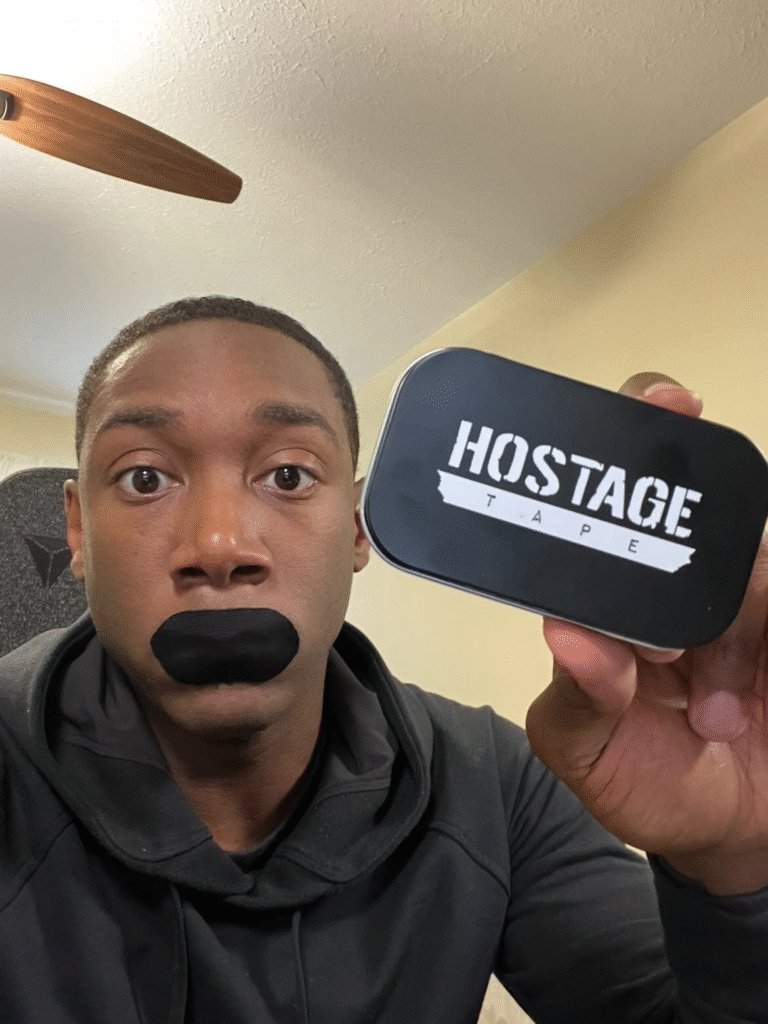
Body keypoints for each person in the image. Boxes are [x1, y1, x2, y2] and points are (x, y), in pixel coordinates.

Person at [0, 294, 765, 1024]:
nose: (220, 544)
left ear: (359, 527)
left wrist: (736, 859)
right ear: (77, 530)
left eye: (289, 475)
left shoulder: (496, 783)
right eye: (145, 478)